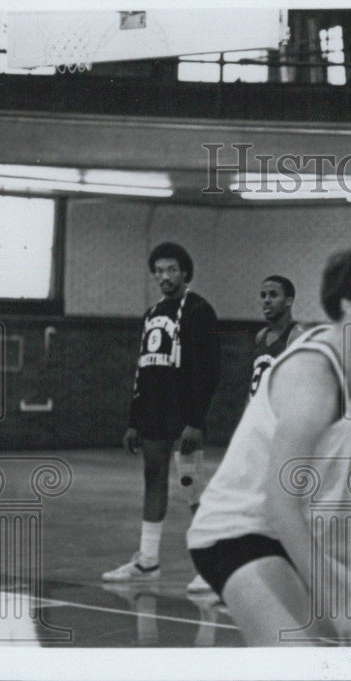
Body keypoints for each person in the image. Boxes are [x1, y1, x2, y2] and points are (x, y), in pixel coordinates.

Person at [186, 246, 351, 646]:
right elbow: (280, 504)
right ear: (349, 305)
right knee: (295, 658)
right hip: (233, 535)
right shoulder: (313, 375)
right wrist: (334, 602)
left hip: (282, 536)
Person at [103, 242, 220, 592]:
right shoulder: (152, 313)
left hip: (183, 411)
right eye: (159, 270)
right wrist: (134, 420)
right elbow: (143, 370)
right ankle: (147, 560)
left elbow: (210, 368)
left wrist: (195, 420)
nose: (164, 276)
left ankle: (211, 566)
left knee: (191, 485)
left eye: (171, 270)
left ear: (185, 273)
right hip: (153, 409)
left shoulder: (200, 310)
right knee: (153, 477)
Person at [250, 275, 304, 397]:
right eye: (263, 296)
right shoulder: (261, 335)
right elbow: (254, 382)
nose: (266, 300)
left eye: (273, 295)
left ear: (288, 301)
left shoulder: (296, 335)